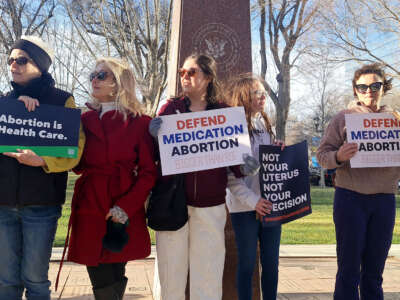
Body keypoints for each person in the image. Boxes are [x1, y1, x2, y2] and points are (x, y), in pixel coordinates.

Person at [149, 54, 259, 300]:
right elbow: (155, 157)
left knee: (208, 277)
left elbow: (238, 164)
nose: (185, 77)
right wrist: (153, 137)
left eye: (192, 72)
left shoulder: (224, 112)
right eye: (182, 72)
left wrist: (250, 162)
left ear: (208, 77)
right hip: (172, 204)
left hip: (211, 207)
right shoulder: (170, 109)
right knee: (171, 276)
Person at [0, 35, 85, 300]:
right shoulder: (3, 103)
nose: (13, 65)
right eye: (10, 59)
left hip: (41, 206)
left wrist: (43, 161)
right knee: (5, 282)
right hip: (2, 206)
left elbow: (75, 152)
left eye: (21, 60)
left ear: (40, 65)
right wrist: (17, 110)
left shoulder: (62, 101)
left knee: (35, 280)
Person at [66, 57, 157, 300]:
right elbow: (75, 164)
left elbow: (149, 172)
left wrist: (124, 208)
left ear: (119, 83)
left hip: (123, 202)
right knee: (99, 270)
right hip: (91, 202)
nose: (94, 80)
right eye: (92, 76)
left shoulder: (139, 123)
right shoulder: (83, 121)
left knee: (115, 267)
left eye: (102, 75)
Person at [317, 63, 398, 300]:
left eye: (375, 85)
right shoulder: (344, 118)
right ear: (355, 90)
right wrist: (339, 157)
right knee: (349, 269)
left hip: (384, 199)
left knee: (374, 271)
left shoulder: (395, 119)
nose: (369, 91)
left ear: (384, 87)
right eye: (362, 87)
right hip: (350, 198)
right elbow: (322, 156)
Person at [224, 74, 284, 300]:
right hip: (244, 208)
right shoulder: (233, 127)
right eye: (257, 93)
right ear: (243, 96)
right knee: (247, 263)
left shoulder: (267, 124)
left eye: (264, 93)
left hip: (270, 205)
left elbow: (268, 166)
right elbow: (230, 177)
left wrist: (279, 150)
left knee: (271, 264)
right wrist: (253, 201)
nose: (263, 97)